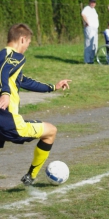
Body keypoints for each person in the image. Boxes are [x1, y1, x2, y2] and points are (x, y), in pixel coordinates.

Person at [0, 23, 71, 186]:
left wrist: (52, 87)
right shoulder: (14, 57)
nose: (27, 48)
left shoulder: (2, 57)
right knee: (51, 131)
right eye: (28, 43)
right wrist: (5, 92)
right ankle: (30, 177)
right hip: (8, 120)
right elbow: (2, 71)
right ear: (22, 39)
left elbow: (23, 81)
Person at [81, 0, 99, 64]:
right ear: (89, 2)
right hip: (89, 28)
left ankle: (91, 59)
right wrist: (87, 22)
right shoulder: (87, 8)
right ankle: (87, 60)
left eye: (94, 2)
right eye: (91, 2)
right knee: (89, 44)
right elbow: (83, 14)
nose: (92, 3)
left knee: (94, 45)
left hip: (95, 28)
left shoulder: (94, 10)